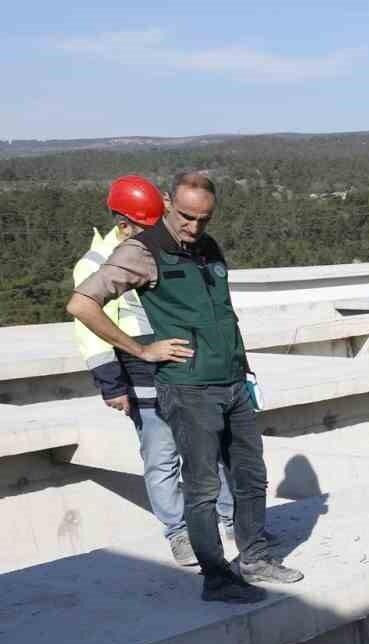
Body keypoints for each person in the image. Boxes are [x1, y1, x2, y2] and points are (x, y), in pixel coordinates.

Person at [67, 170, 301, 603]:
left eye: (204, 219)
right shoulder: (141, 250)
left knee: (250, 477)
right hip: (189, 388)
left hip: (232, 382)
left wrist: (245, 372)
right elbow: (81, 303)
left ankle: (253, 557)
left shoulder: (208, 247)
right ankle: (216, 577)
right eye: (187, 216)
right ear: (169, 202)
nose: (194, 227)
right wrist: (141, 350)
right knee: (202, 487)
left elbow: (225, 314)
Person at [72, 174, 238, 567]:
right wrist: (112, 383)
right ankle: (177, 533)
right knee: (162, 455)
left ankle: (230, 520)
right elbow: (89, 327)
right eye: (143, 227)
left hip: (184, 365)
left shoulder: (173, 245)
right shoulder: (97, 264)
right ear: (123, 223)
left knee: (211, 447)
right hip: (140, 368)